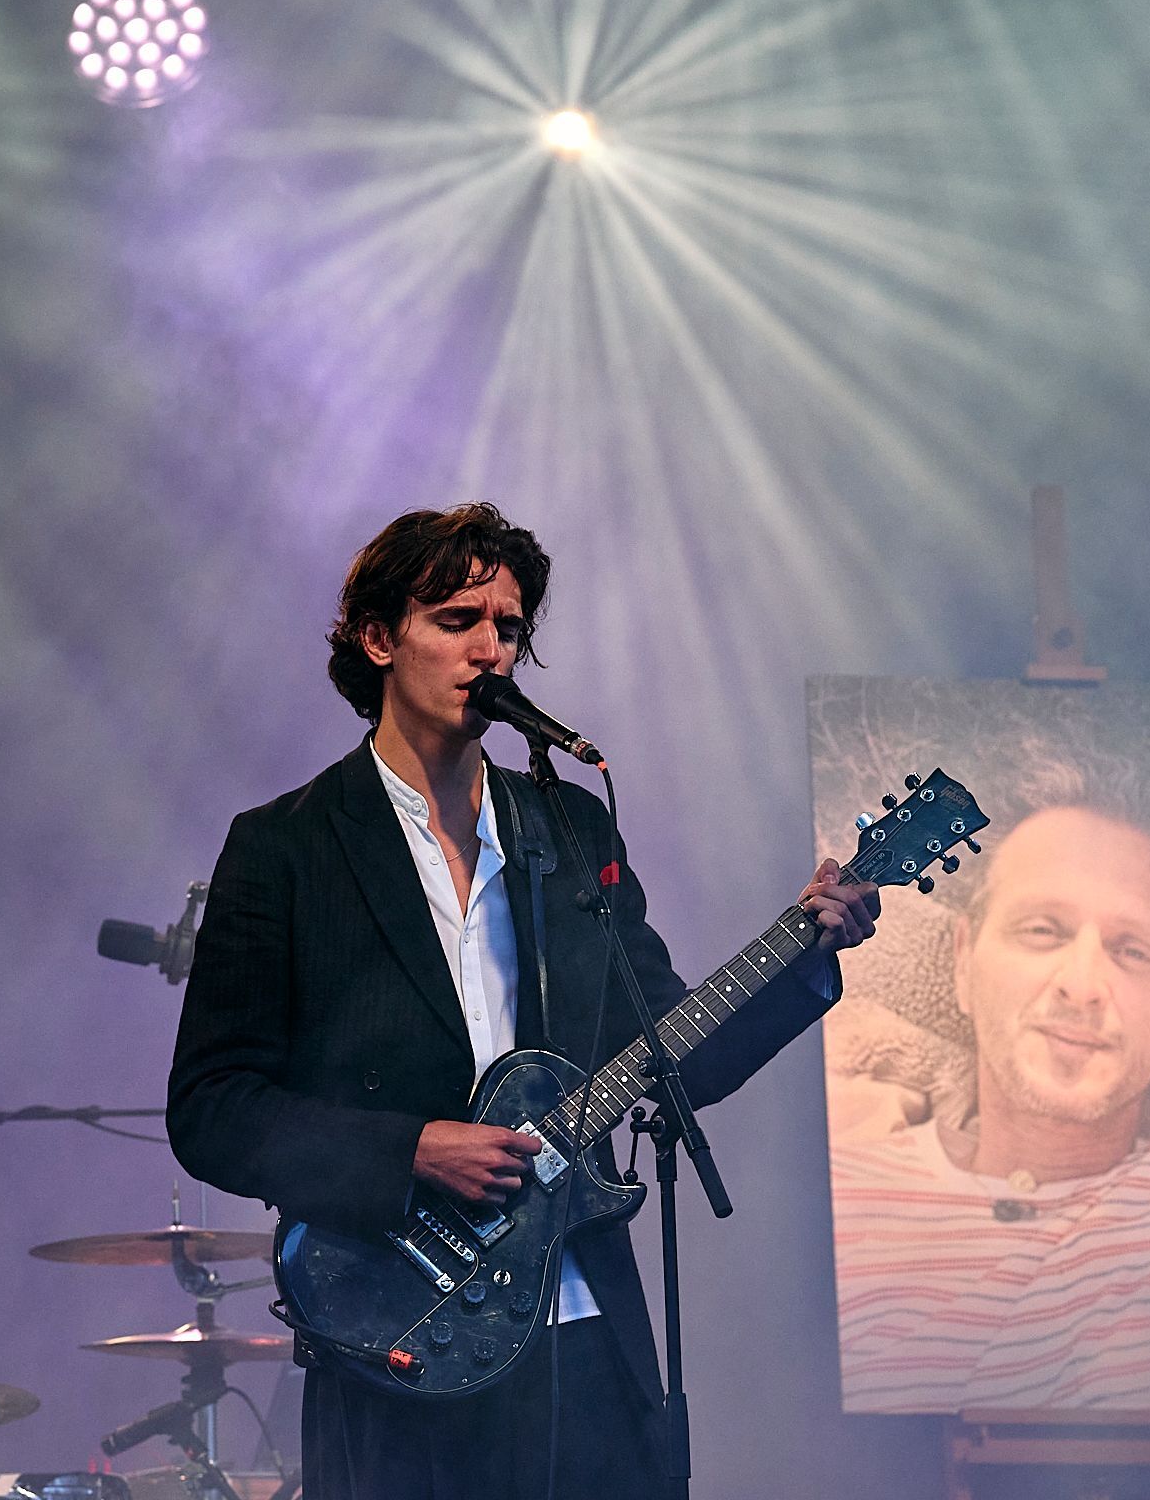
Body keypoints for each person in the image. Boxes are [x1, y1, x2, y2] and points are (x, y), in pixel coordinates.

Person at [168, 504, 880, 1500]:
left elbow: (677, 1054)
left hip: (580, 1329)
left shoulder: (567, 828)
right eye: (457, 619)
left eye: (507, 626)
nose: (490, 649)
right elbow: (213, 1109)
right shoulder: (287, 847)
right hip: (400, 1336)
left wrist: (803, 954)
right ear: (377, 638)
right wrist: (410, 1149)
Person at [826, 782, 1150, 1416]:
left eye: (1132, 952)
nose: (1082, 985)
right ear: (964, 963)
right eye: (1042, 929)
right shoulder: (839, 1186)